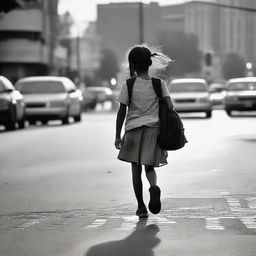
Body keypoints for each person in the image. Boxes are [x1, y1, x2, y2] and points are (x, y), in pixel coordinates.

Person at [114, 45, 174, 218]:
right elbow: (169, 105)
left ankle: (141, 207)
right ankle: (154, 187)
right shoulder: (159, 84)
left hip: (133, 131)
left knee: (135, 170)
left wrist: (117, 135)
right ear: (149, 64)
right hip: (153, 130)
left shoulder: (129, 84)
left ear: (132, 65)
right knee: (149, 167)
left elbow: (121, 111)